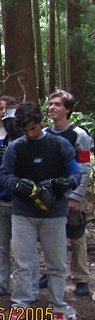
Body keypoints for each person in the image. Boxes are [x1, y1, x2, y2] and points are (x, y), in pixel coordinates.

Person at [0, 102, 80, 320]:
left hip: (54, 213)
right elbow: (3, 175)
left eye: (33, 128)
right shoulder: (16, 147)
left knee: (56, 263)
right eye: (24, 130)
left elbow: (75, 171)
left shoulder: (59, 144)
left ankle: (58, 307)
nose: (29, 134)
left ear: (40, 123)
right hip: (23, 212)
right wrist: (16, 183)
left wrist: (67, 183)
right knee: (23, 261)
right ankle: (21, 304)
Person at [39, 90, 92, 296]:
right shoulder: (45, 134)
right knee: (50, 235)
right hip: (50, 195)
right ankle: (52, 273)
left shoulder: (79, 135)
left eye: (57, 105)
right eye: (51, 104)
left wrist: (76, 196)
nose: (52, 107)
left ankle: (81, 277)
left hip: (71, 193)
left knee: (76, 234)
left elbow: (84, 166)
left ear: (68, 110)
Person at [0, 106, 36, 296]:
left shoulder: (31, 146)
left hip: (22, 205)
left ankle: (27, 286)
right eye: (8, 122)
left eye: (15, 123)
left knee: (24, 250)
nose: (11, 126)